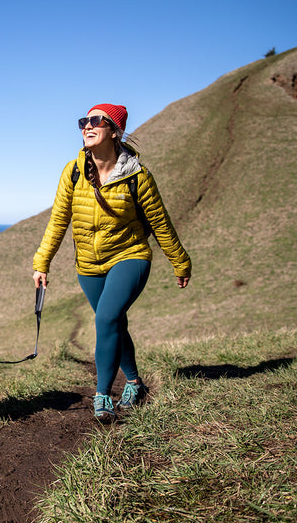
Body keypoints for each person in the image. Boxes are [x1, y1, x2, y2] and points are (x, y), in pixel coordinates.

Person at [32, 103, 191, 422]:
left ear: (115, 131)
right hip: (89, 266)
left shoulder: (138, 176)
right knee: (114, 323)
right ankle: (135, 383)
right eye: (83, 121)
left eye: (96, 121)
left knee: (105, 319)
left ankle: (102, 394)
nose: (86, 127)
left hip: (130, 256)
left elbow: (160, 223)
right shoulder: (73, 171)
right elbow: (58, 220)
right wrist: (42, 261)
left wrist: (180, 261)